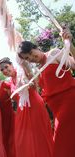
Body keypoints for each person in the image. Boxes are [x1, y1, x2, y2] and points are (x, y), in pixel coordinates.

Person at [17, 28, 75, 157]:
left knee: (61, 145)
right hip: (57, 111)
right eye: (27, 58)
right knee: (66, 144)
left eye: (31, 53)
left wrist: (69, 44)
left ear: (36, 47)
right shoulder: (38, 71)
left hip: (69, 103)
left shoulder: (53, 54)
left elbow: (74, 65)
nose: (32, 58)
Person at [0, 57, 53, 157]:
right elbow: (14, 98)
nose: (5, 70)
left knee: (39, 134)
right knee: (22, 138)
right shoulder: (9, 83)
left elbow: (35, 85)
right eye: (2, 70)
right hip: (22, 109)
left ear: (12, 65)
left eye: (6, 67)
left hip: (34, 105)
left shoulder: (22, 72)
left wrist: (31, 83)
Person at [0, 65, 16, 157]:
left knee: (12, 140)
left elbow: (15, 98)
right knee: (2, 141)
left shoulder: (6, 84)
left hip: (9, 116)